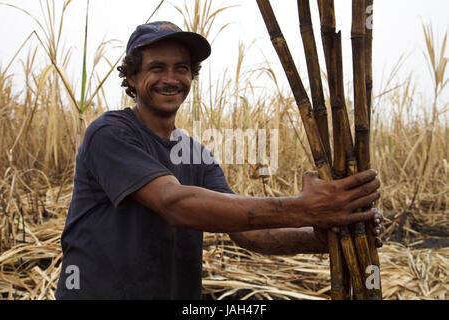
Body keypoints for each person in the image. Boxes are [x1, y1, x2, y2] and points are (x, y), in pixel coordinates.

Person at [55, 21, 383, 299]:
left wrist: (320, 237)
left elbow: (245, 233)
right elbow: (174, 203)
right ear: (131, 76)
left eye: (181, 68)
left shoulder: (197, 154)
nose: (171, 78)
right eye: (157, 67)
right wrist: (303, 208)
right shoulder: (109, 133)